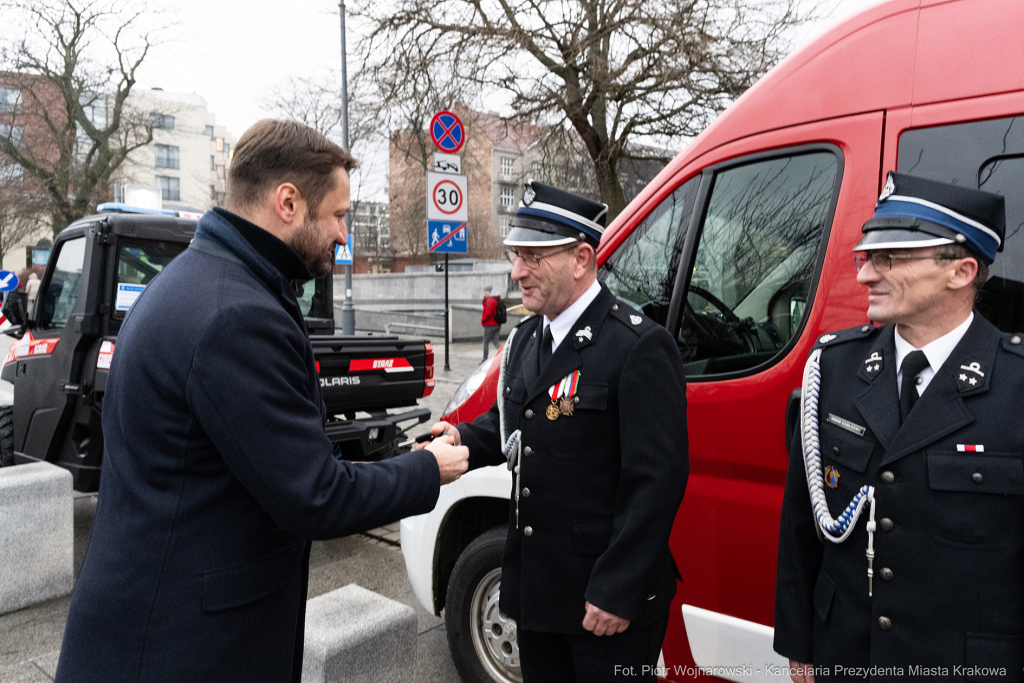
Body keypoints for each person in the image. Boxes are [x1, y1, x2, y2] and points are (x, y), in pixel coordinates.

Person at [54, 120, 469, 683]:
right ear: (288, 203)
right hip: (184, 650)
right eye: (340, 215)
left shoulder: (198, 281)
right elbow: (316, 497)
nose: (345, 235)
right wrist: (427, 468)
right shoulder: (236, 315)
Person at [423, 180, 688, 682]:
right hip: (538, 591)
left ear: (582, 259)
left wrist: (617, 589)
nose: (516, 271)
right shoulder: (528, 338)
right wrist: (461, 439)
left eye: (533, 256)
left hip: (604, 604)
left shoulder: (637, 346)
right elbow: (518, 425)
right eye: (515, 255)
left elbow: (657, 482)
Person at [774, 172, 1018, 682]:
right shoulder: (835, 367)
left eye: (891, 259)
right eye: (867, 258)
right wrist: (800, 644)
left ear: (961, 271)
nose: (866, 275)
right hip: (847, 654)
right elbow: (801, 526)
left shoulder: (1016, 383)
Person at [482, 285, 501, 360]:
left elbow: (488, 312)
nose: (485, 292)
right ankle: (503, 356)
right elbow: (485, 306)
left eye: (486, 291)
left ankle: (484, 358)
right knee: (495, 341)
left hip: (490, 324)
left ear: (489, 291)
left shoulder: (490, 300)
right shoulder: (495, 299)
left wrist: (483, 320)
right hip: (497, 324)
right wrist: (485, 299)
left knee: (485, 342)